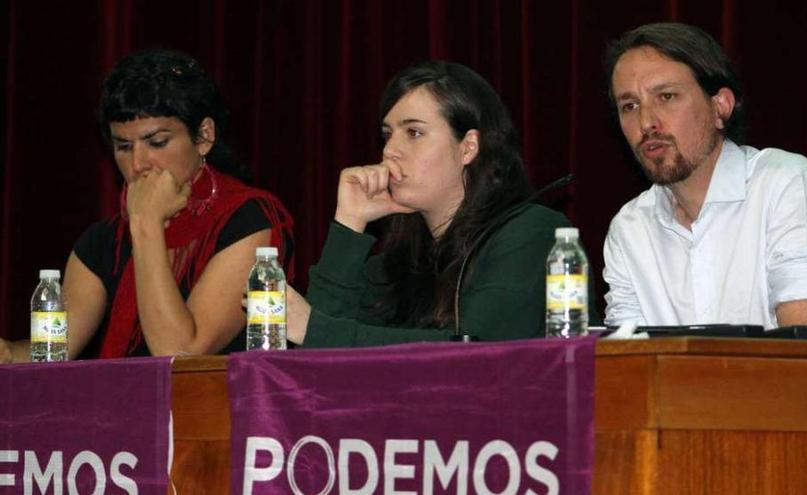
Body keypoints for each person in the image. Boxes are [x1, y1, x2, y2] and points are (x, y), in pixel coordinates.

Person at [0, 49, 294, 362]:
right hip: (121, 408)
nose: (138, 164)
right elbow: (50, 354)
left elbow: (179, 353)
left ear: (204, 137)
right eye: (123, 147)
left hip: (220, 407)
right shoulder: (103, 242)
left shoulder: (247, 219)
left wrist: (146, 224)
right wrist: (7, 353)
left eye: (157, 143)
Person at [283, 60, 588, 347]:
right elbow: (318, 360)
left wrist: (313, 328)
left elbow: (479, 352)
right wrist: (349, 224)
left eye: (414, 132)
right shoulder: (398, 263)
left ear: (468, 147)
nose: (390, 150)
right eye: (387, 135)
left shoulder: (533, 233)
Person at [601, 22, 807, 335]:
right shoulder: (630, 228)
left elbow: (804, 352)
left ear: (719, 106)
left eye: (667, 97)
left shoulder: (788, 186)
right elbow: (628, 364)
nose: (646, 122)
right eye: (629, 106)